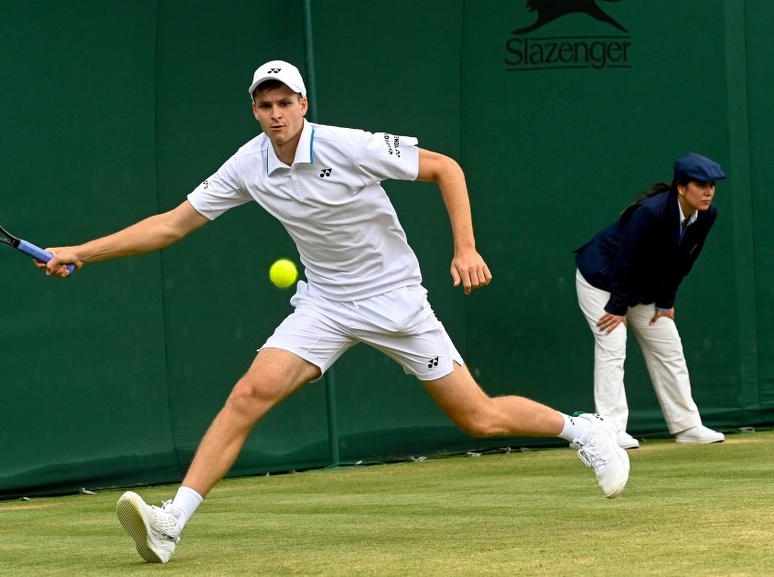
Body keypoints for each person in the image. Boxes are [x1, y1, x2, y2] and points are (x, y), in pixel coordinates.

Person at [39, 60, 630, 564]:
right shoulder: (249, 164)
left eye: (283, 102)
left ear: (303, 103)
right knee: (249, 394)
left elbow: (445, 167)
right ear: (255, 111)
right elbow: (172, 225)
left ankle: (582, 429)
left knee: (479, 418)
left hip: (396, 300)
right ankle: (171, 523)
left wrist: (466, 246)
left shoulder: (349, 145)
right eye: (263, 105)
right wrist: (81, 253)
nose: (274, 114)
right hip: (324, 304)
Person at [574, 152, 727, 450]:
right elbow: (625, 260)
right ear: (681, 187)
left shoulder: (707, 215)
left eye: (712, 185)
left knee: (668, 344)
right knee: (613, 342)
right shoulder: (650, 211)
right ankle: (611, 429)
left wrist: (665, 302)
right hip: (601, 279)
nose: (708, 191)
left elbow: (684, 260)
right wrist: (617, 307)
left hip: (641, 287)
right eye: (701, 185)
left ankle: (687, 425)